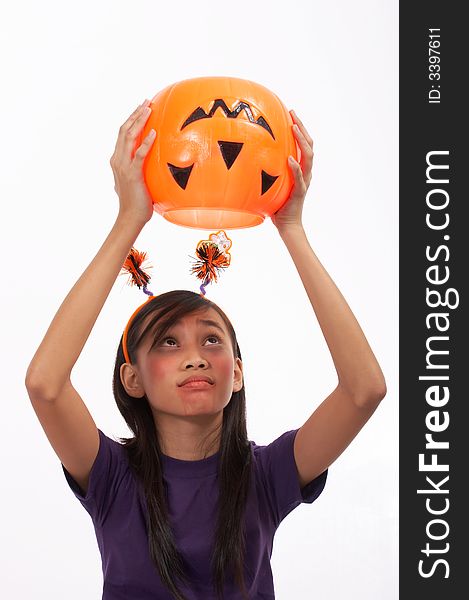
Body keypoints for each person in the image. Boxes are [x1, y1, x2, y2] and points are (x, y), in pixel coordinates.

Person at [25, 99, 387, 600]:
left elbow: (364, 391)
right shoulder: (111, 477)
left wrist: (292, 229)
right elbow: (44, 385)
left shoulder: (266, 475)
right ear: (133, 378)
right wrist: (130, 217)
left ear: (236, 372)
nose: (195, 356)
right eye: (169, 342)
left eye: (212, 340)